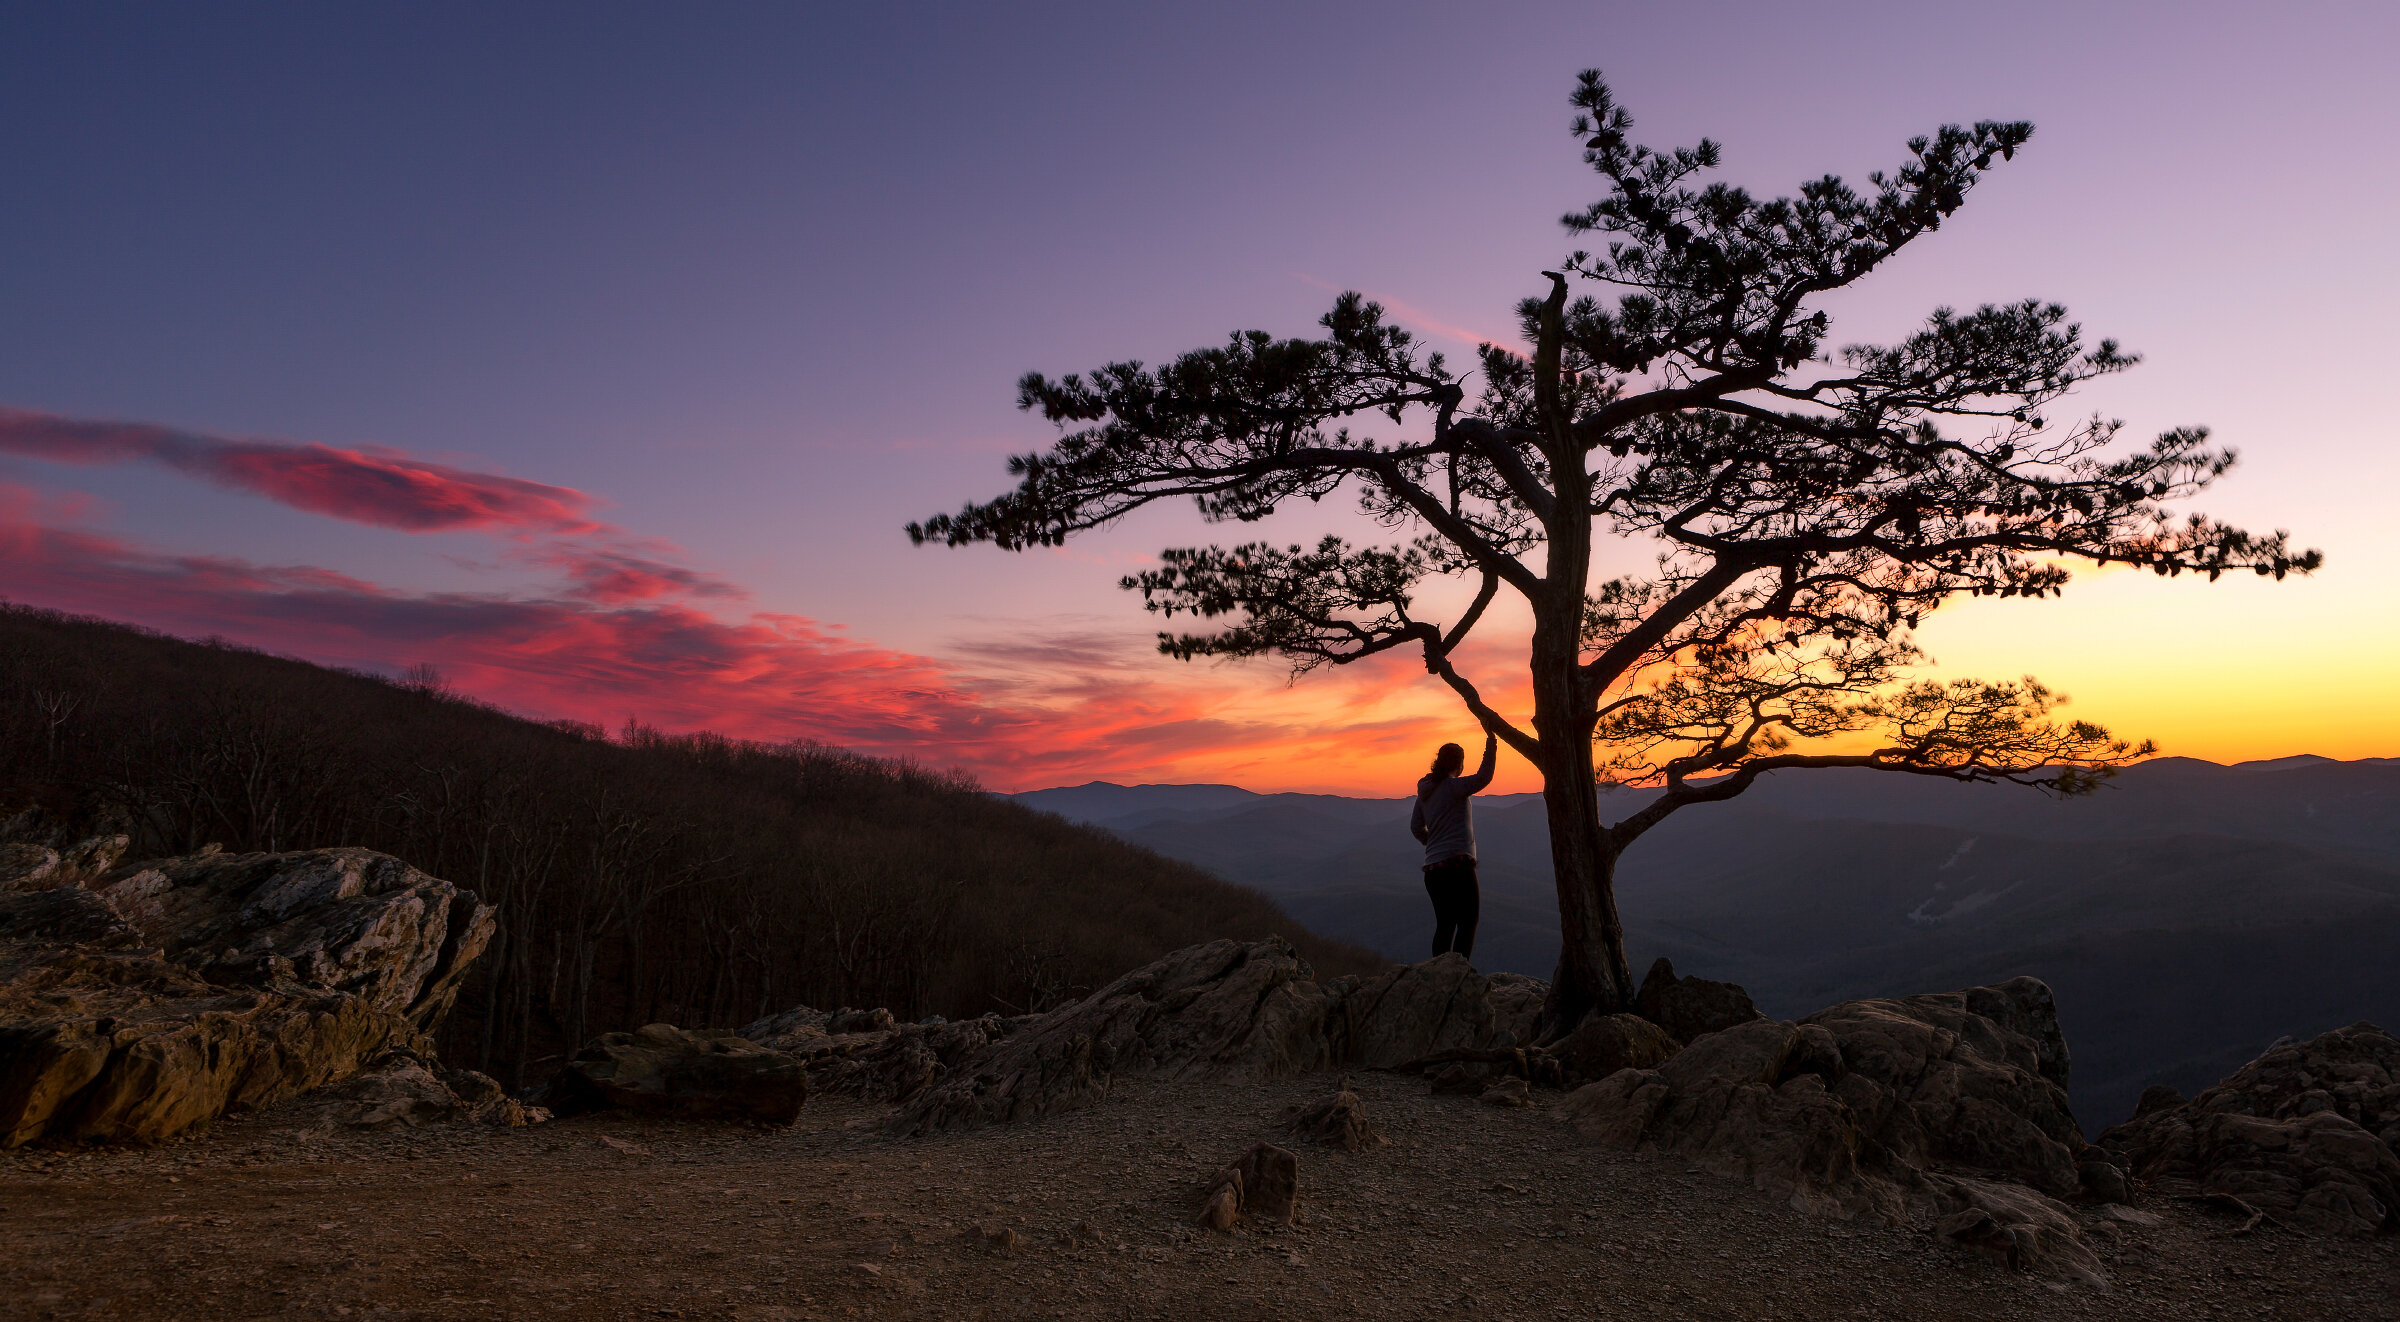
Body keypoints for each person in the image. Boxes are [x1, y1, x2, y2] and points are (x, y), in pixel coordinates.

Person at [1410, 730, 1496, 960]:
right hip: (1457, 865)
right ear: (1459, 764)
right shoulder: (1453, 787)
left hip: (1433, 871)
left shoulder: (1424, 794)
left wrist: (1433, 844)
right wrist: (1492, 742)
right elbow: (1483, 777)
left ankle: (1439, 974)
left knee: (1445, 924)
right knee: (1468, 920)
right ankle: (1459, 974)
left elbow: (1416, 827)